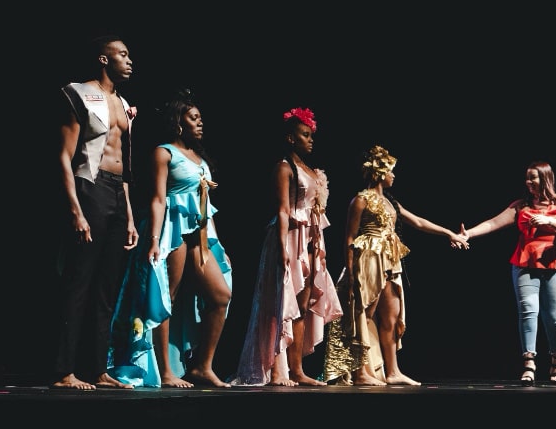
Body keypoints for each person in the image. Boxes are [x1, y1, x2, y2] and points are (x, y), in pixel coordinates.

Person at [108, 89, 233, 388]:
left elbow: (204, 206)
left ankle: (202, 366)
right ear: (179, 122)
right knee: (166, 297)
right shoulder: (164, 152)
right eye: (194, 118)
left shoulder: (199, 157)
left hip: (199, 234)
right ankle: (165, 370)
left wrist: (218, 247)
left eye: (201, 118)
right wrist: (153, 238)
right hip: (171, 230)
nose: (200, 123)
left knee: (220, 295)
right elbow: (157, 199)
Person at [321, 145, 469, 386]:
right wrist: (350, 271)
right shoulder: (360, 200)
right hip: (368, 259)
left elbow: (418, 222)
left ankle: (393, 370)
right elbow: (348, 237)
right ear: (379, 172)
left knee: (392, 317)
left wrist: (449, 234)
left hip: (390, 260)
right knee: (364, 314)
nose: (394, 175)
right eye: (391, 171)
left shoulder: (391, 202)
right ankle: (361, 372)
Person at [229, 107, 342, 386]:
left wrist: (318, 247)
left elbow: (316, 211)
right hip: (290, 238)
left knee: (302, 305)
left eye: (311, 135)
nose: (310, 140)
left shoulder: (309, 169)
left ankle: (297, 369)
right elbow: (282, 210)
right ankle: (277, 368)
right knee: (282, 304)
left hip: (309, 241)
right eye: (305, 135)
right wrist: (282, 247)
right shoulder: (284, 167)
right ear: (291, 138)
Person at [52, 34, 138, 390]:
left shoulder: (123, 102)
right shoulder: (80, 93)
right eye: (122, 54)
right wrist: (76, 210)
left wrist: (130, 216)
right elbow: (63, 156)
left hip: (118, 193)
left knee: (107, 289)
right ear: (104, 60)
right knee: (80, 283)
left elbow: (126, 167)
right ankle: (64, 371)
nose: (129, 60)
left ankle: (97, 368)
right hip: (90, 187)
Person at [458, 161, 556, 386]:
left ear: (545, 179)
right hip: (525, 263)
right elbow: (493, 222)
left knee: (553, 317)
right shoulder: (521, 205)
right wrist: (469, 235)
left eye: (533, 177)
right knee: (527, 311)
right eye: (527, 178)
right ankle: (529, 363)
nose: (528, 182)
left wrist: (549, 220)